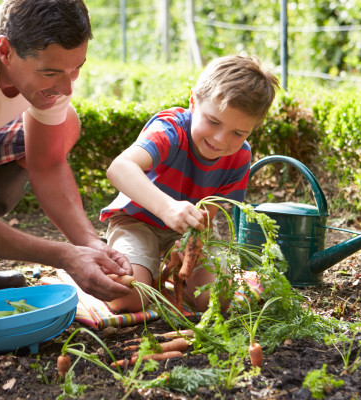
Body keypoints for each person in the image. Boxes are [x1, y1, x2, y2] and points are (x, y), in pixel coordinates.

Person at [0, 0, 133, 300]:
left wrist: (90, 244)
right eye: (50, 73)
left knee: (65, 124)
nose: (66, 88)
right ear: (5, 51)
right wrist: (64, 256)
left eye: (76, 68)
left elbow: (48, 164)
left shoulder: (48, 57)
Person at [100, 55, 279, 313]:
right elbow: (119, 168)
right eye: (213, 121)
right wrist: (167, 209)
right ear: (193, 101)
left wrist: (190, 243)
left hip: (190, 231)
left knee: (215, 300)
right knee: (127, 298)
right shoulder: (170, 130)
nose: (220, 139)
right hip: (137, 220)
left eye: (238, 133)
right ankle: (142, 271)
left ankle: (166, 275)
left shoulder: (240, 157)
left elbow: (209, 215)